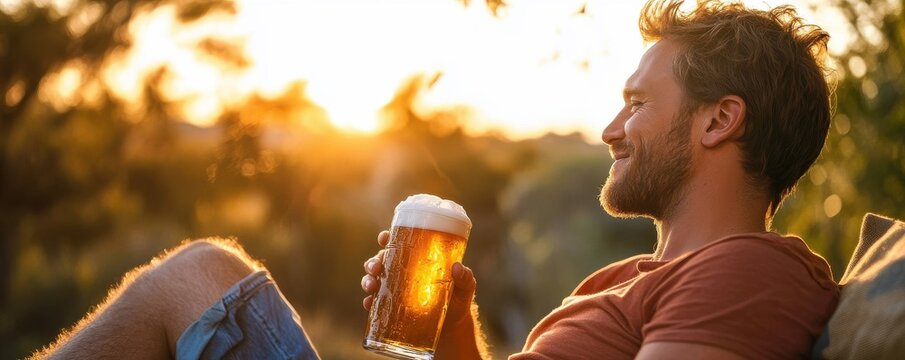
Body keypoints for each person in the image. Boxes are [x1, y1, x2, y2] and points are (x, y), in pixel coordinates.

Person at [31, 0, 838, 359]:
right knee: (196, 278)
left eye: (635, 103)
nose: (610, 129)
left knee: (200, 278)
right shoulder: (632, 279)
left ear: (716, 121)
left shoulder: (746, 271)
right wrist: (455, 325)